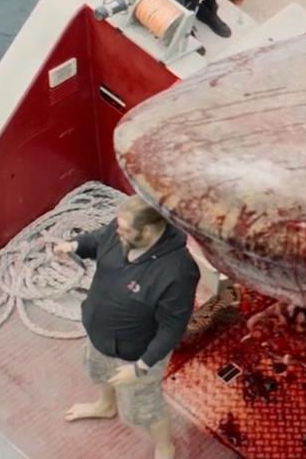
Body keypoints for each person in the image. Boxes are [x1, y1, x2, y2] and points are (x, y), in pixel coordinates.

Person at [54, 196, 201, 459]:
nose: (116, 232)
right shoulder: (119, 230)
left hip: (137, 354)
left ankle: (165, 447)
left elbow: (172, 328)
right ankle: (105, 405)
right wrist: (73, 245)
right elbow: (98, 240)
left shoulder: (178, 271)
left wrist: (141, 366)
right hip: (99, 335)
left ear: (147, 231)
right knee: (100, 373)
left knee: (145, 407)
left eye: (125, 230)